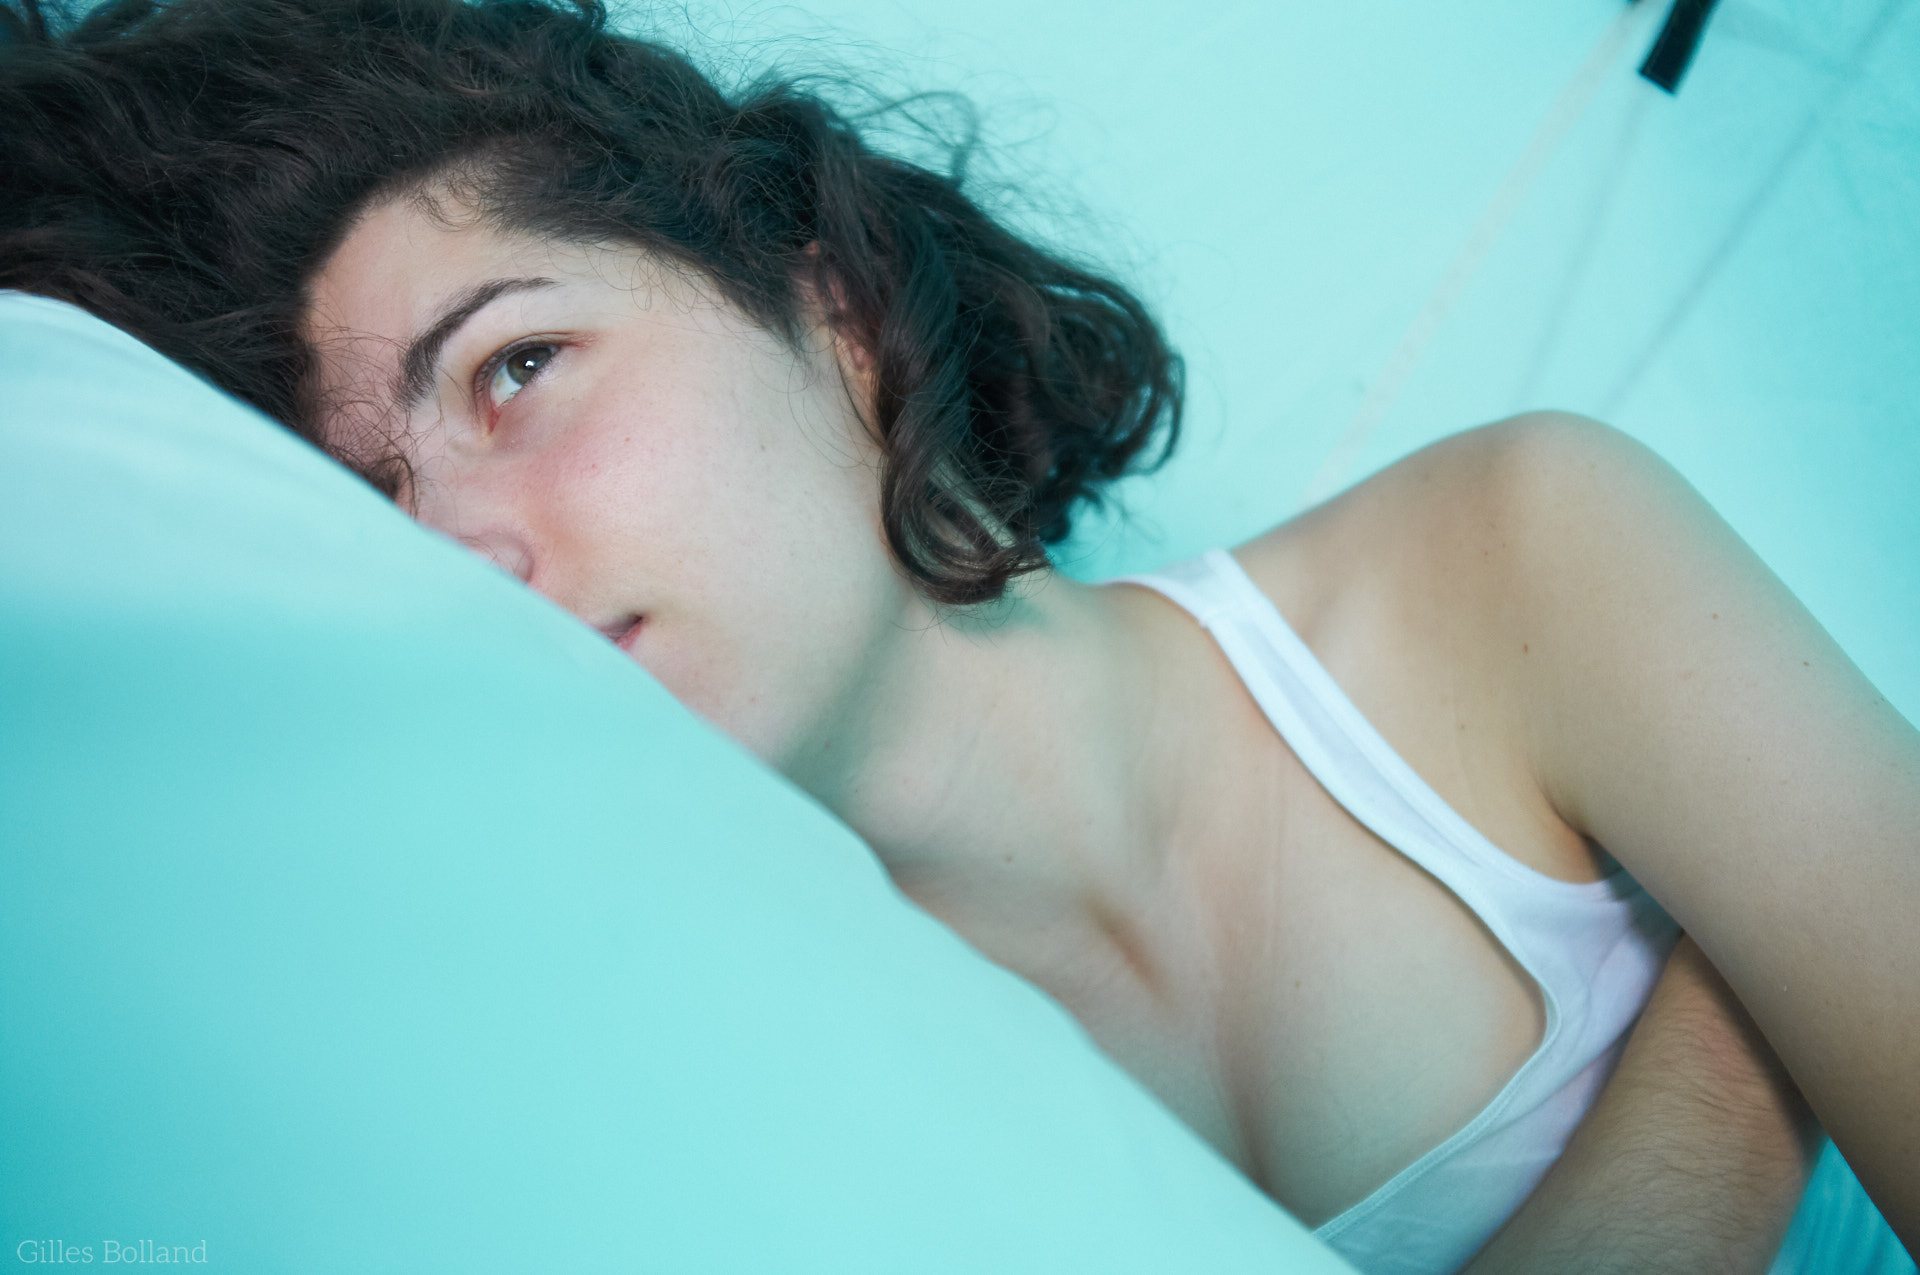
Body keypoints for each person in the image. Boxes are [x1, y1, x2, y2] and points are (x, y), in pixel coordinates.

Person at [3, 0, 1915, 1269]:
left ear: (831, 307)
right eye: (376, 514)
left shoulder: (1505, 559)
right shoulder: (745, 1104)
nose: (467, 554)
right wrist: (1741, 1054)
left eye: (515, 368)